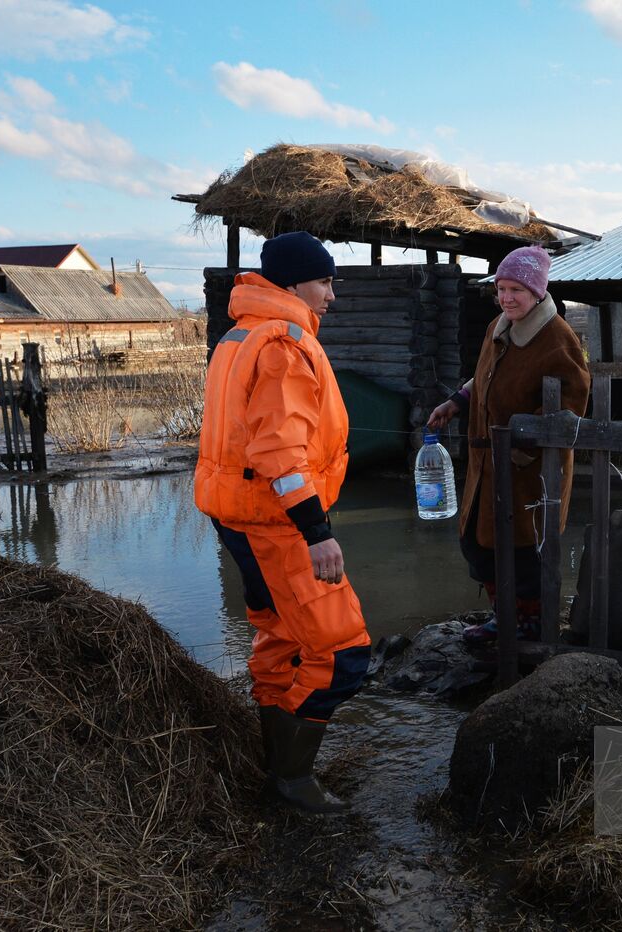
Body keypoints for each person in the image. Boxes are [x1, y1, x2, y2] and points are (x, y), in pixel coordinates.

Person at [194, 231, 370, 814]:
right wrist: (317, 533)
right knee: (341, 653)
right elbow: (280, 453)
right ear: (294, 282)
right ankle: (291, 782)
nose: (331, 296)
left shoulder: (238, 334)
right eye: (325, 282)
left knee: (280, 641)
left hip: (241, 518)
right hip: (279, 524)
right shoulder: (283, 346)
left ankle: (275, 763)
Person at [427, 245, 590, 643]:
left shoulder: (557, 339)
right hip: (488, 462)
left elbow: (573, 401)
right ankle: (505, 614)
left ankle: (529, 621)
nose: (506, 297)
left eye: (516, 289)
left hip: (529, 469)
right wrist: (456, 402)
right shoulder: (498, 327)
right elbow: (483, 377)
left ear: (537, 292)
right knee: (477, 543)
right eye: (501, 288)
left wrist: (523, 445)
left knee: (522, 548)